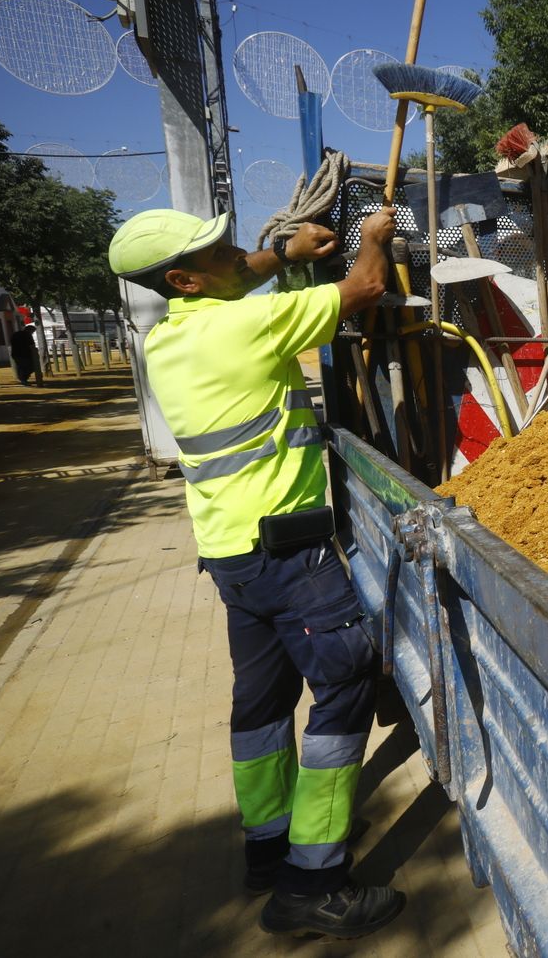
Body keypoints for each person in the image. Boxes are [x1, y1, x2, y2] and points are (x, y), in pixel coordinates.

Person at [108, 206, 401, 940]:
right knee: (345, 678)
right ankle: (313, 883)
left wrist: (286, 252)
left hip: (230, 554)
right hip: (288, 554)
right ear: (185, 280)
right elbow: (365, 288)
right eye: (221, 251)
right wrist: (372, 237)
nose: (240, 254)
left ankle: (269, 844)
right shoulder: (246, 325)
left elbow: (242, 277)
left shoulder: (170, 336)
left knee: (263, 701)